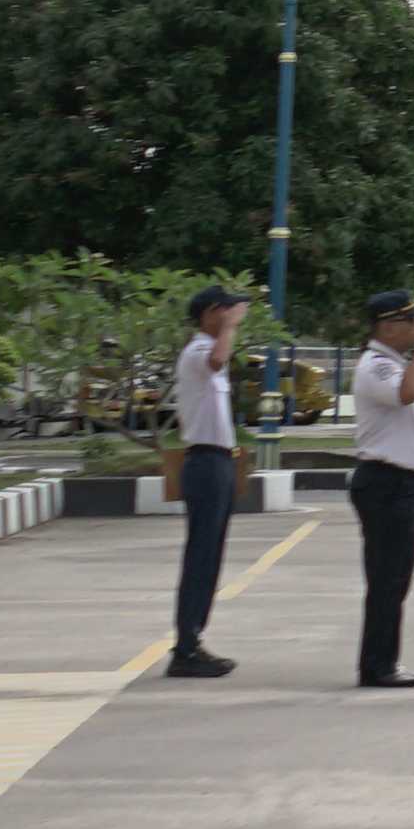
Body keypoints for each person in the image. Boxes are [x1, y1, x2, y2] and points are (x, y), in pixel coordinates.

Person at [346, 295, 414, 689]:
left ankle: (384, 661)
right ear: (387, 326)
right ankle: (378, 666)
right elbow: (407, 393)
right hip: (388, 485)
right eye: (411, 321)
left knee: (395, 579)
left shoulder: (395, 365)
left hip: (406, 486)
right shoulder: (378, 365)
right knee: (387, 579)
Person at [161, 288, 248, 680]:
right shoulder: (199, 352)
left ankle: (193, 642)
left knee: (210, 558)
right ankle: (185, 648)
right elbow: (217, 358)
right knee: (200, 557)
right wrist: (228, 328)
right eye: (228, 309)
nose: (236, 316)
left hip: (220, 461)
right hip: (205, 462)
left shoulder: (208, 352)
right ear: (212, 313)